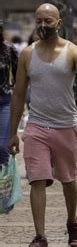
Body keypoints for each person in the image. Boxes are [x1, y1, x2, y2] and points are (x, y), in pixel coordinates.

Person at [8, 3, 77, 247]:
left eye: (48, 21)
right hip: (36, 126)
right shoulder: (27, 54)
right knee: (37, 180)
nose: (43, 26)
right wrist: (12, 133)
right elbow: (18, 95)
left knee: (68, 180)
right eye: (39, 21)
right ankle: (40, 236)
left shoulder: (72, 52)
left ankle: (72, 221)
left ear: (59, 23)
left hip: (66, 126)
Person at [0, 20, 18, 165]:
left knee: (3, 146)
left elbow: (20, 76)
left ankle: (4, 183)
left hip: (4, 100)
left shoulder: (9, 48)